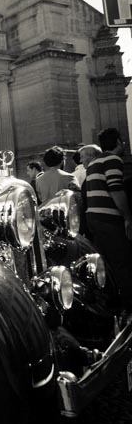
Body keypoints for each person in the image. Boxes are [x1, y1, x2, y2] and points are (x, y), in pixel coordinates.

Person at [85, 128, 132, 310]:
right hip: (108, 218)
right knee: (122, 262)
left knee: (104, 264)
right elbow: (115, 189)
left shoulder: (94, 162)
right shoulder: (113, 160)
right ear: (119, 142)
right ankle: (129, 306)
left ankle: (109, 304)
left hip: (93, 217)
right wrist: (128, 217)